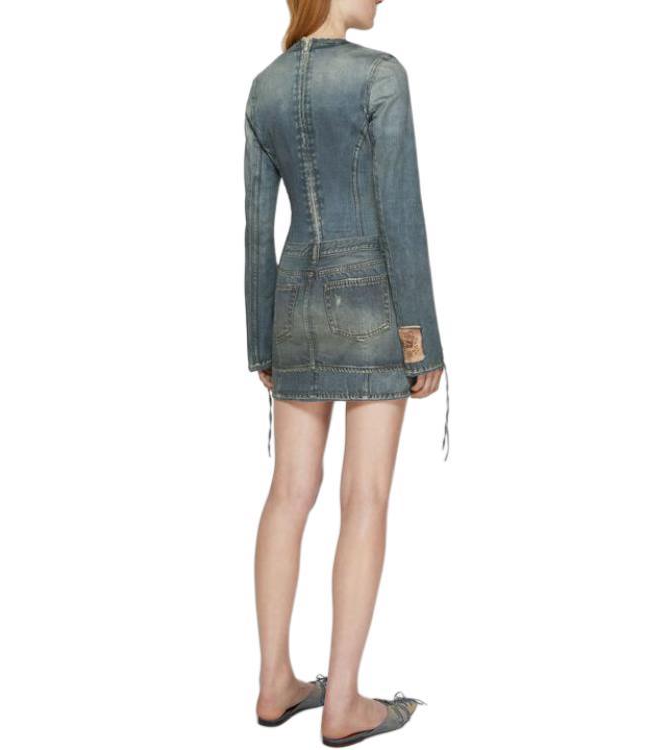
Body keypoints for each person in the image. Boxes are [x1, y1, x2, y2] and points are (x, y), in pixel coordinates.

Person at [244, 0, 448, 745]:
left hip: (293, 305)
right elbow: (401, 212)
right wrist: (420, 339)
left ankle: (275, 683)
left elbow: (255, 226)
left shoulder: (265, 87)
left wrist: (260, 343)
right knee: (365, 497)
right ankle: (344, 703)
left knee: (288, 493)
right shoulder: (380, 76)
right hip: (373, 305)